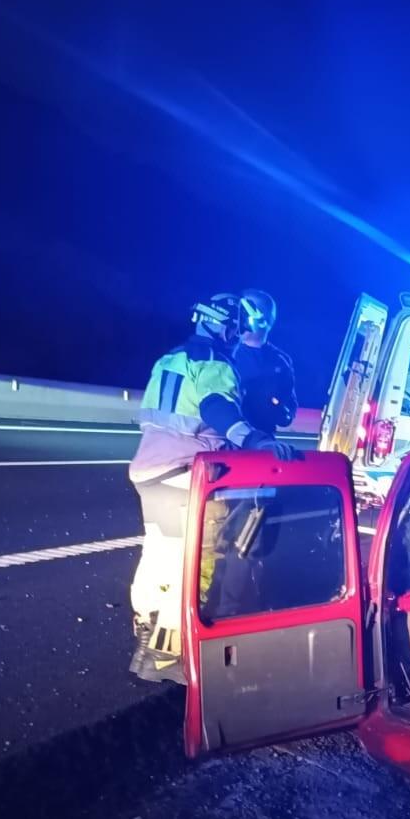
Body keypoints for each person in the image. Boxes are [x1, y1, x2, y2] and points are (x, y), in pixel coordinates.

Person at [128, 293, 297, 684]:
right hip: (187, 473)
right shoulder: (215, 363)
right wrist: (254, 439)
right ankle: (167, 656)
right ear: (228, 325)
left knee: (158, 554)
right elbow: (218, 408)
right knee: (191, 564)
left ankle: (146, 627)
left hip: (150, 470)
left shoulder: (170, 358)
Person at [230, 289, 297, 437]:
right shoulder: (227, 353)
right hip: (228, 439)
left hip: (263, 442)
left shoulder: (281, 360)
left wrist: (276, 406)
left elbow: (288, 410)